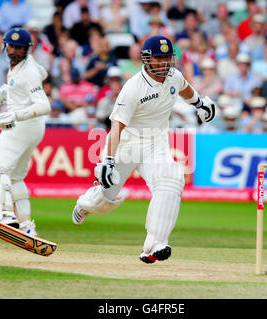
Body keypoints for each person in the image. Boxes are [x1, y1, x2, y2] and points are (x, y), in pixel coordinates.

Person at [71, 35, 216, 263]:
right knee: (106, 198)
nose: (163, 63)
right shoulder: (132, 88)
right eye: (158, 58)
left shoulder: (173, 77)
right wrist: (107, 161)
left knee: (172, 179)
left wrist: (200, 104)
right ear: (146, 59)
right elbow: (116, 127)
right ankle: (86, 203)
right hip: (127, 144)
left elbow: (185, 89)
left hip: (156, 144)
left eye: (167, 58)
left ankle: (154, 245)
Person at [0, 27, 51, 235]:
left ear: (27, 49)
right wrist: (9, 91)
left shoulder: (28, 71)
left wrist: (16, 115)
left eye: (19, 48)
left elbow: (45, 106)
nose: (14, 51)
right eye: (11, 46)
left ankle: (3, 216)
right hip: (32, 128)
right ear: (5, 46)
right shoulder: (23, 67)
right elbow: (44, 73)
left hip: (24, 125)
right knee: (15, 177)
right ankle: (26, 225)